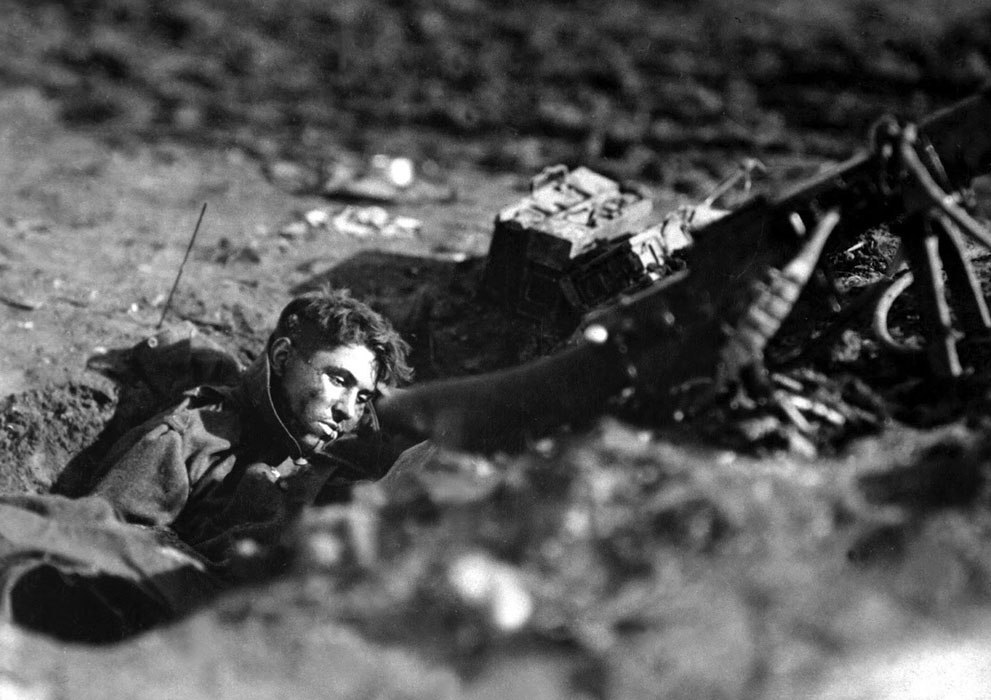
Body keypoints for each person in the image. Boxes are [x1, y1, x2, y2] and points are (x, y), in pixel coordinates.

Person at [0, 290, 415, 642]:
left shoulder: (334, 455)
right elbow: (101, 539)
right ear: (284, 356)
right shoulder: (194, 434)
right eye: (339, 380)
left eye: (362, 397)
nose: (347, 410)